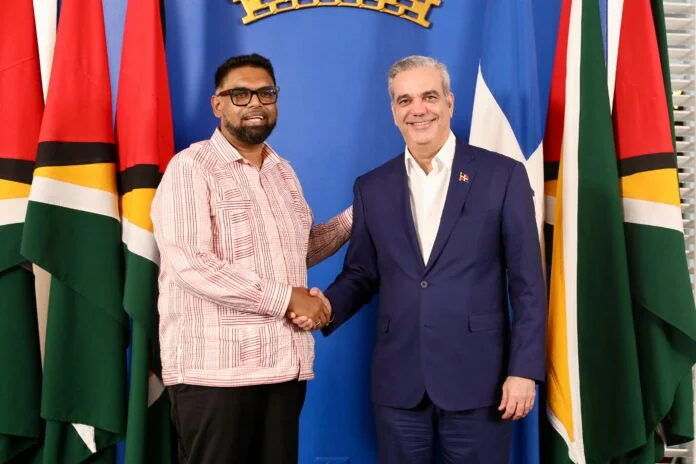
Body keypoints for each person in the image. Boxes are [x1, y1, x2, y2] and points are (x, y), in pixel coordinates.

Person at [295, 55, 546, 463]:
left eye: (429, 96)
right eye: (405, 100)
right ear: (394, 112)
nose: (418, 109)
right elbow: (361, 273)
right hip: (399, 384)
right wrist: (326, 306)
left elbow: (528, 284)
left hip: (480, 381)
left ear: (449, 102)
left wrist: (524, 370)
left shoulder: (502, 176)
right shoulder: (372, 187)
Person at [151, 53, 351, 464]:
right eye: (240, 94)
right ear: (218, 104)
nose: (255, 103)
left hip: (283, 369)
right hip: (214, 375)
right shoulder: (190, 168)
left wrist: (359, 215)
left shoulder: (283, 172)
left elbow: (299, 252)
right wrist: (288, 298)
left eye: (266, 93)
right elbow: (192, 264)